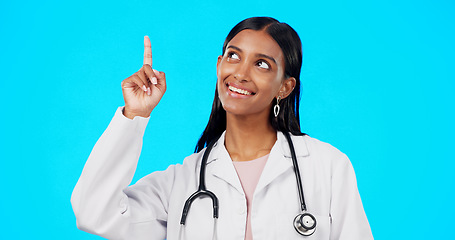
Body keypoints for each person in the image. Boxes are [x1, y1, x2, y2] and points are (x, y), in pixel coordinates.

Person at [71, 17, 373, 240]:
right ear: (219, 66)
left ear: (285, 87)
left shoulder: (327, 166)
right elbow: (94, 212)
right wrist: (134, 114)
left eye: (262, 64)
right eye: (233, 56)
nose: (240, 73)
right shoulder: (183, 182)